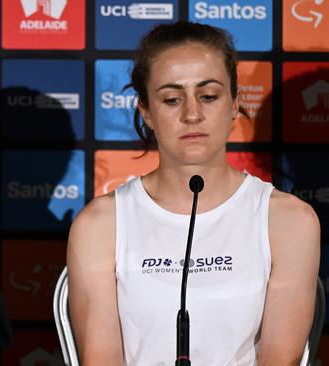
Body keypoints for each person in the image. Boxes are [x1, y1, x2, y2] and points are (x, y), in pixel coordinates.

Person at [66, 21, 320, 365]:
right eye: (172, 99)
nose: (192, 114)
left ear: (233, 104)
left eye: (209, 96)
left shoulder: (289, 220)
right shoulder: (99, 224)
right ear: (147, 113)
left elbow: (281, 359)